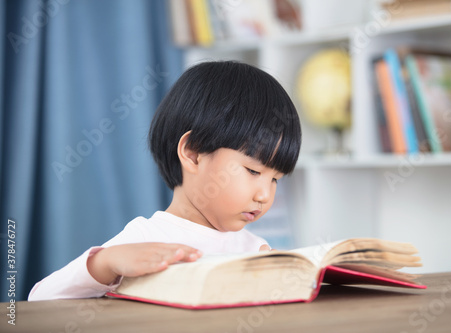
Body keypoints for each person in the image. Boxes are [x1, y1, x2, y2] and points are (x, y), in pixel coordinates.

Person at [28, 61, 302, 301]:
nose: (265, 195)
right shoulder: (144, 239)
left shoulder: (255, 248)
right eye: (253, 172)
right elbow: (41, 299)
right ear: (193, 153)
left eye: (275, 179)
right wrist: (106, 263)